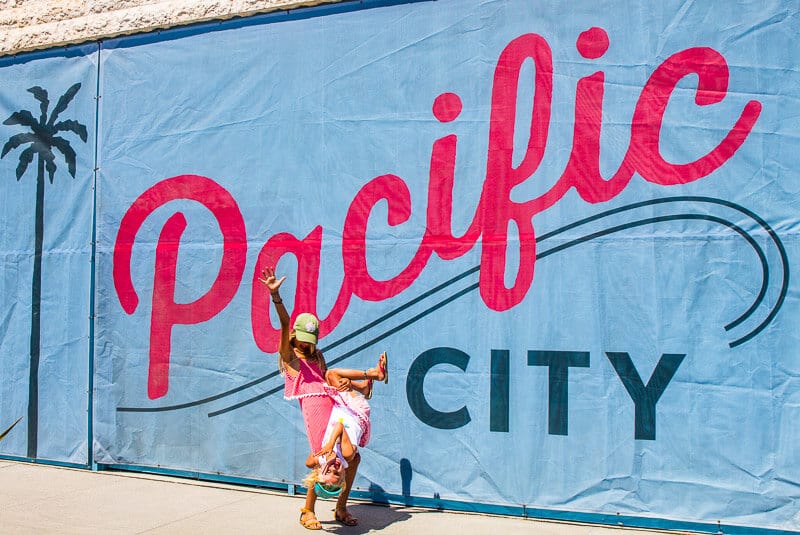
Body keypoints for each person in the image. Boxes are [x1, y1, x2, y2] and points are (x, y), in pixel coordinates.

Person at [258, 266, 386, 530]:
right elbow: (283, 323)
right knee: (323, 458)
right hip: (314, 409)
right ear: (296, 337)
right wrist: (276, 295)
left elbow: (329, 379)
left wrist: (353, 388)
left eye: (311, 340)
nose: (307, 345)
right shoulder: (289, 355)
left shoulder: (317, 355)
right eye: (304, 340)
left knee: (355, 458)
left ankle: (340, 506)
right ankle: (307, 509)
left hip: (333, 403)